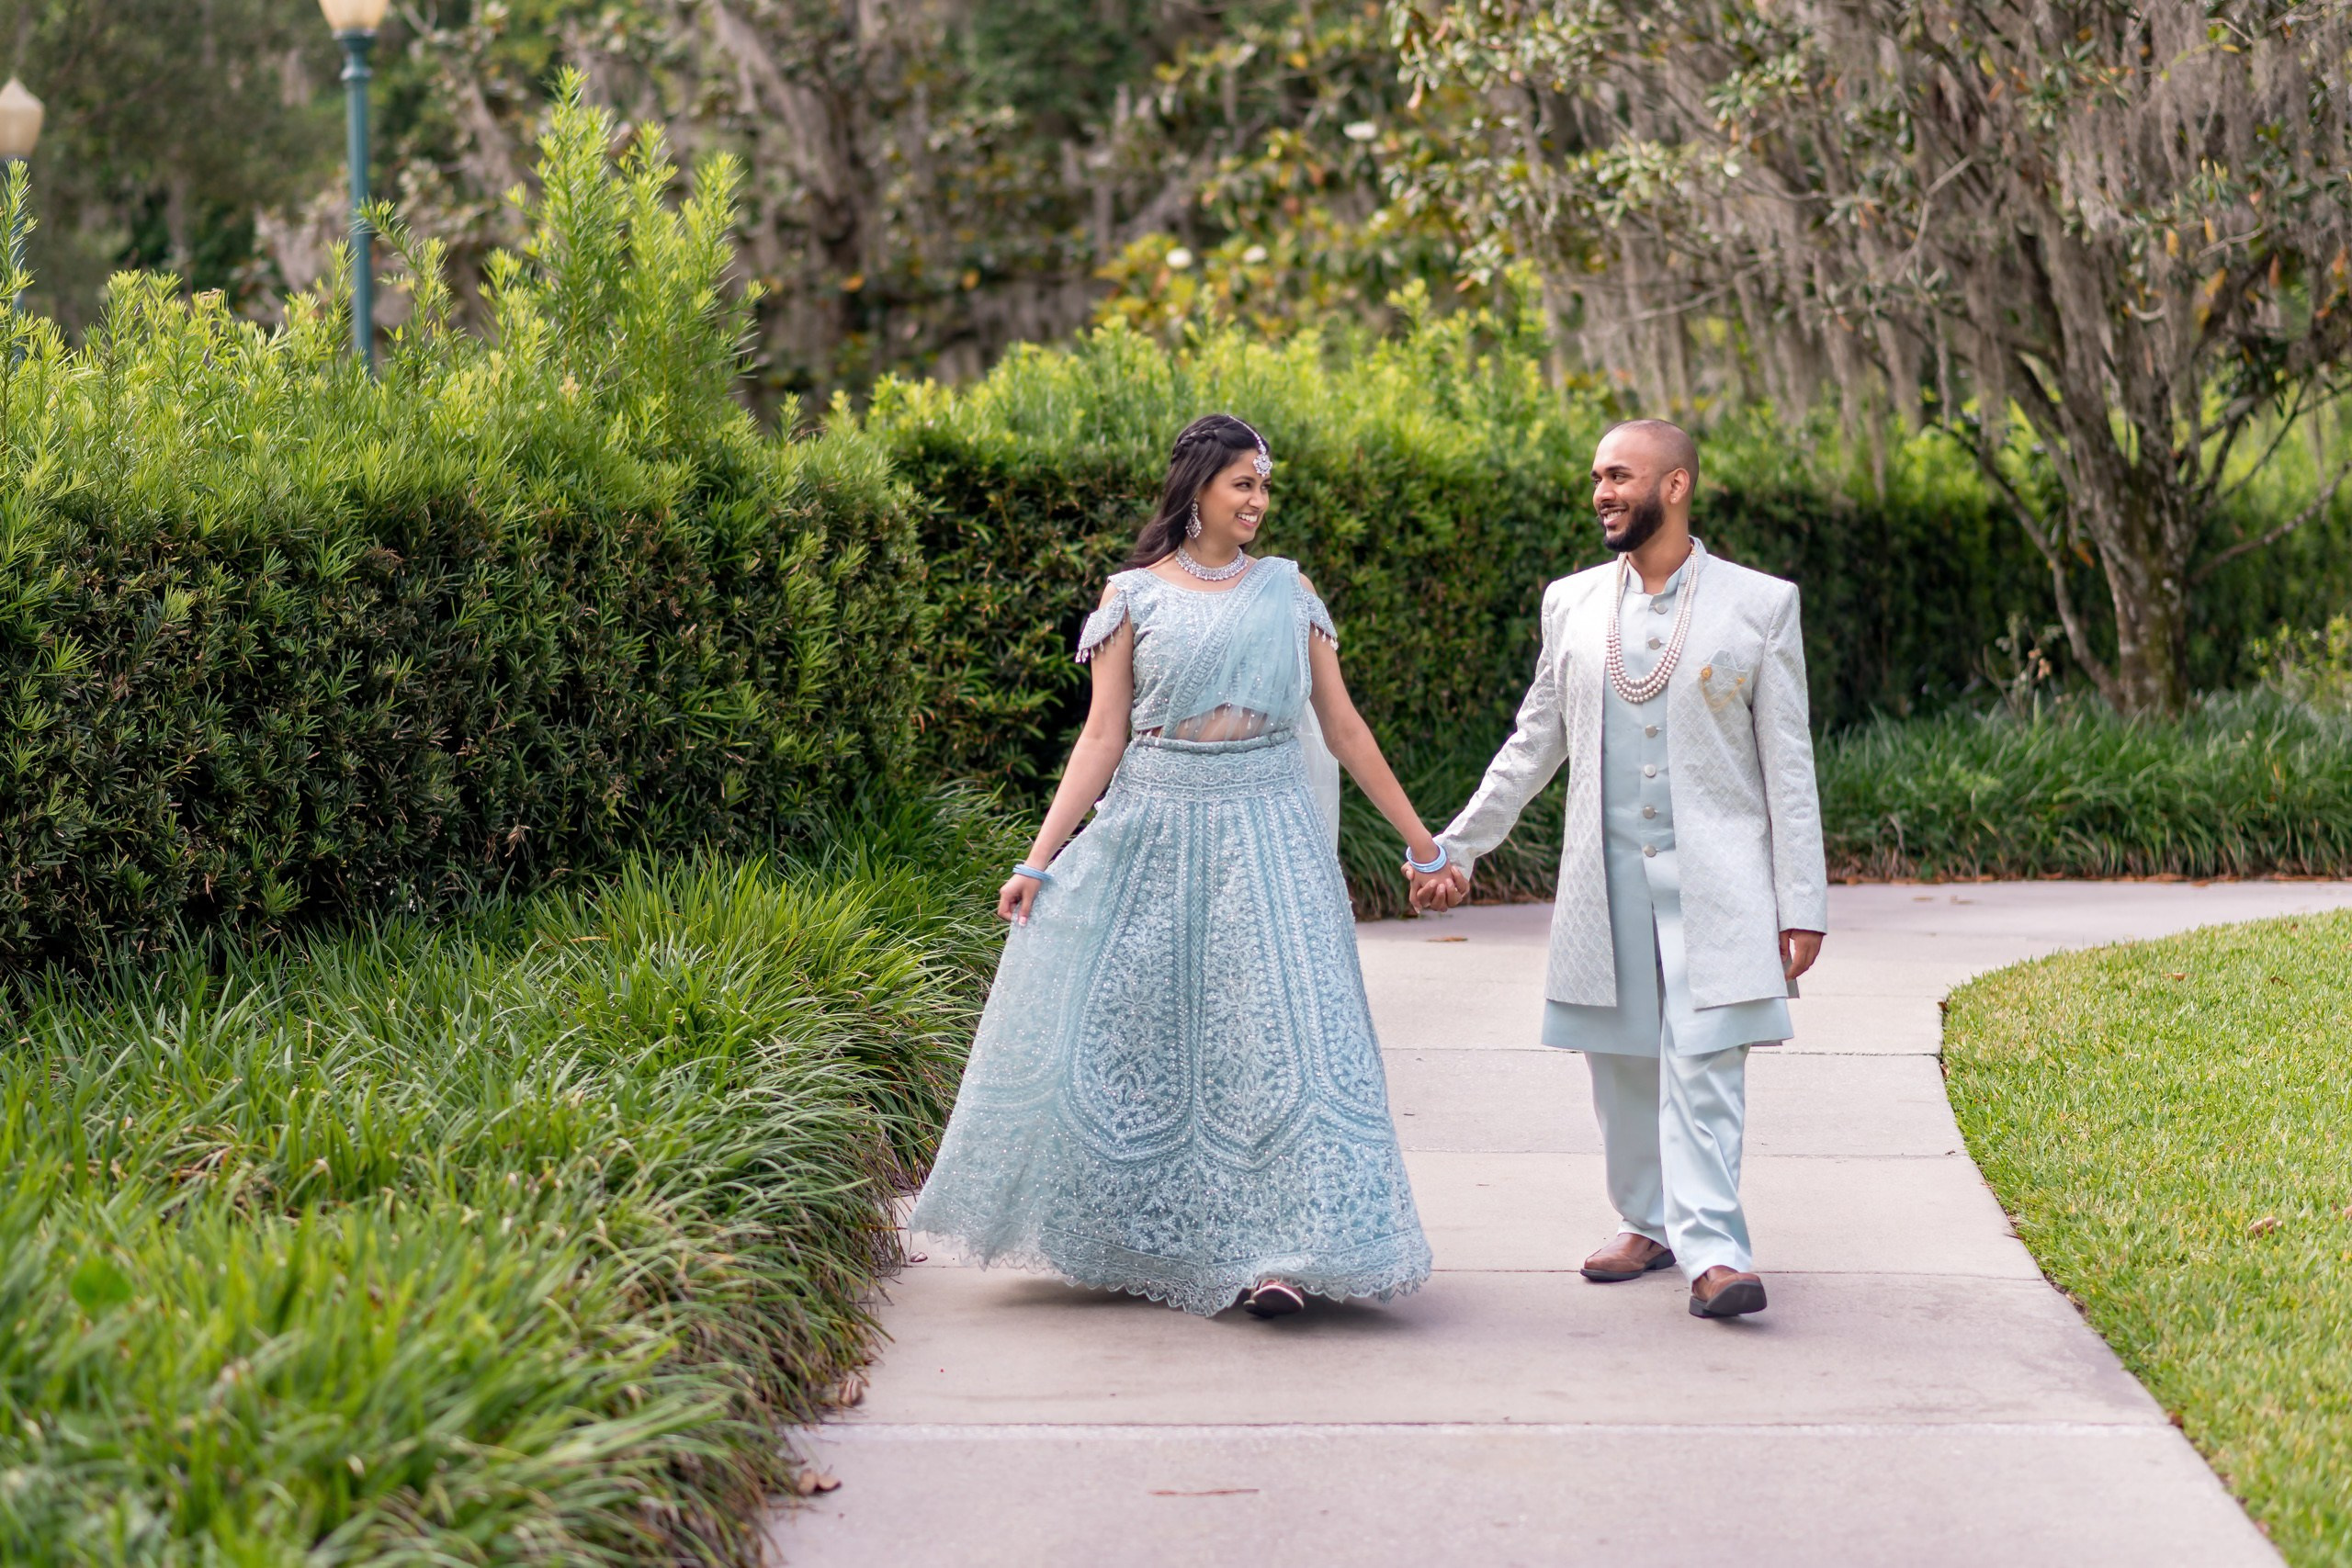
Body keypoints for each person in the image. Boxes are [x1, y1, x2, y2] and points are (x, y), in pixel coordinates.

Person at [908, 413, 1440, 1320]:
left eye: (1265, 486)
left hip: (1270, 833)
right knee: (1145, 1042)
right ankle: (1162, 1238)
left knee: (1281, 1045)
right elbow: (1101, 738)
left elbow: (1343, 729)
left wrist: (1422, 844)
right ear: (1198, 489)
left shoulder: (1287, 590)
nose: (1259, 502)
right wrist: (1037, 862)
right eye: (1244, 484)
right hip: (1153, 829)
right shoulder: (1130, 598)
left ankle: (1284, 1256)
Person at [1409, 419, 1827, 1319]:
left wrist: (1802, 899)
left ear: (1674, 487)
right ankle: (1647, 1221)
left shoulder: (1760, 604)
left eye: (1619, 476)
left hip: (1716, 879)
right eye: (1596, 476)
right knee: (1621, 1061)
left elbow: (1787, 764)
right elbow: (1534, 743)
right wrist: (1461, 846)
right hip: (1606, 873)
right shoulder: (1568, 603)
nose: (1601, 492)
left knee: (1707, 1057)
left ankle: (1715, 1251)